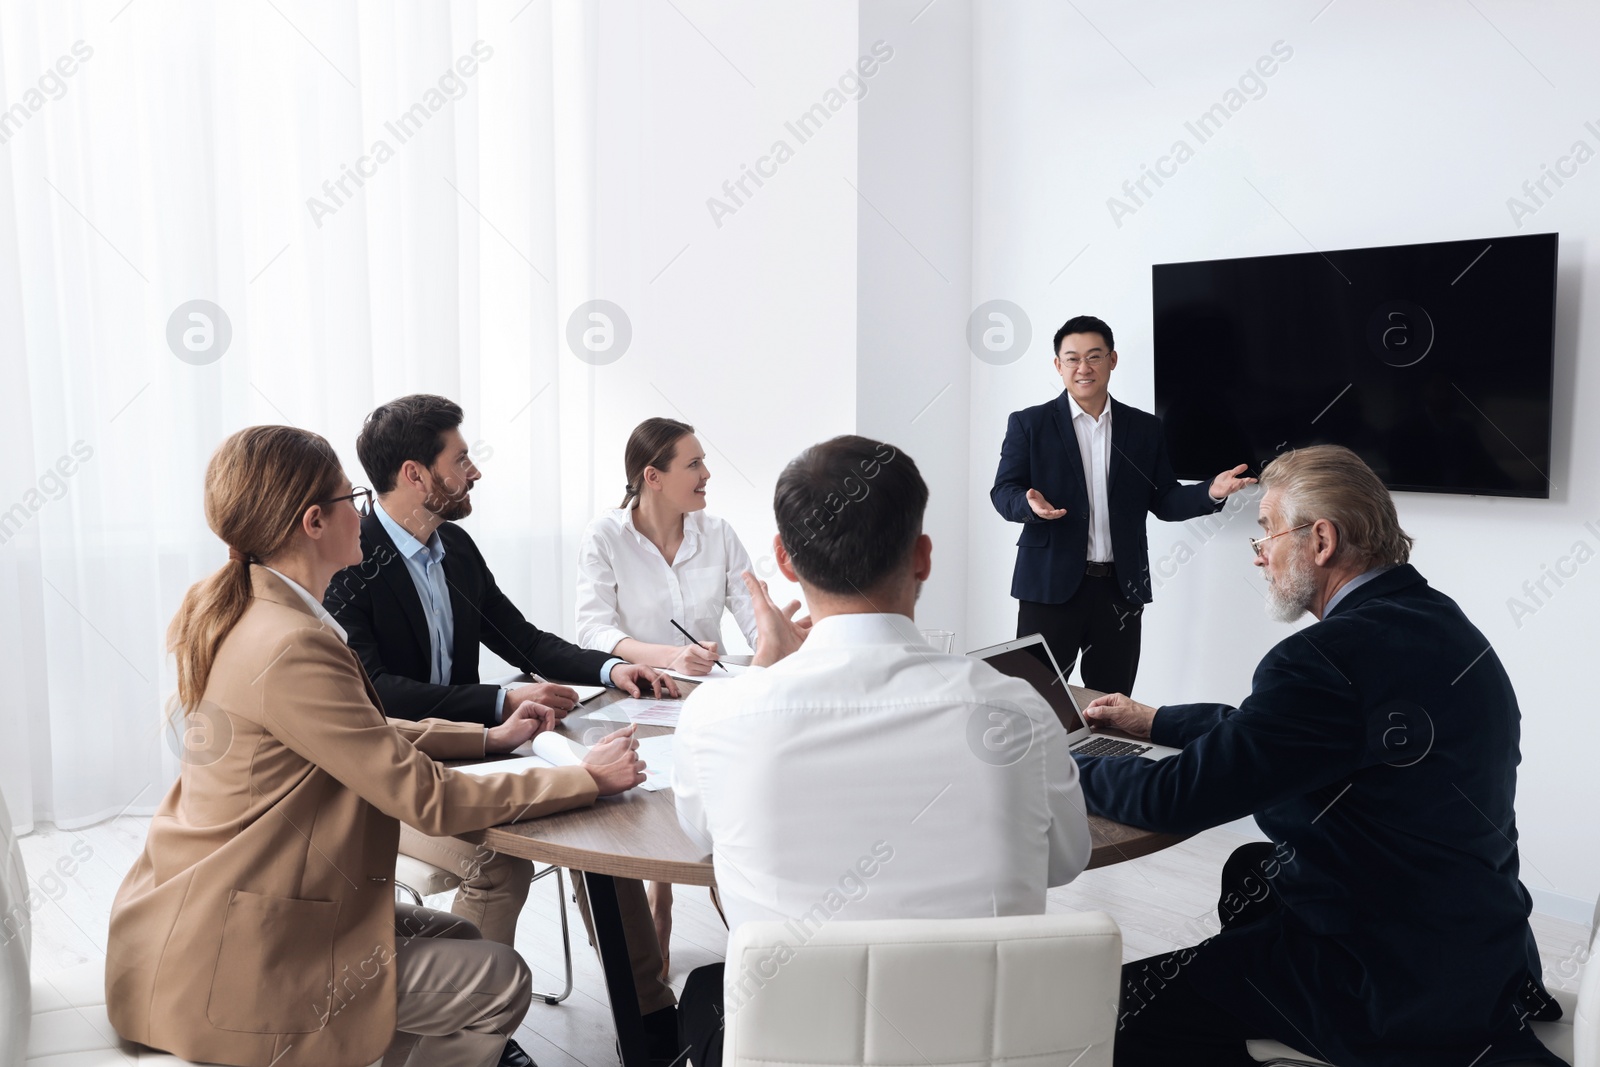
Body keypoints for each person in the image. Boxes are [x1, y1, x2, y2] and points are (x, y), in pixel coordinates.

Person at [106, 425, 645, 1067]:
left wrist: (488, 736)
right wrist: (585, 778)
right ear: (313, 522)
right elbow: (425, 798)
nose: (362, 512)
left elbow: (355, 731)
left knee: (458, 934)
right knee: (500, 978)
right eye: (350, 498)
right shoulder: (290, 642)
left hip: (212, 916)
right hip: (233, 957)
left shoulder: (249, 608)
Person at [1073, 444, 1563, 1066]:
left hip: (1388, 982)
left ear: (1322, 540)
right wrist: (1157, 719)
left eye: (1265, 532)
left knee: (1107, 1009)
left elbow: (1174, 798)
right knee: (1253, 875)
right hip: (1484, 951)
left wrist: (1062, 768)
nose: (1260, 556)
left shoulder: (1321, 658)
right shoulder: (1439, 622)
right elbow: (1284, 738)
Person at [671, 435, 1093, 1065]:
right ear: (922, 557)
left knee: (706, 990)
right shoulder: (1016, 711)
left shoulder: (717, 716)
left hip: (801, 1042)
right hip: (985, 1044)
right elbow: (1065, 860)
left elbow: (699, 834)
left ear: (786, 561)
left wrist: (763, 672)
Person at [323, 395, 681, 1061]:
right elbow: (375, 694)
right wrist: (498, 699)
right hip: (392, 777)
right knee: (502, 859)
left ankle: (654, 1017)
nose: (475, 472)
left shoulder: (453, 547)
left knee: (600, 821)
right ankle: (478, 1036)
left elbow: (524, 638)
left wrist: (613, 665)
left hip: (481, 758)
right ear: (416, 474)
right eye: (461, 459)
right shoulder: (349, 559)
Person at [575, 416, 760, 972]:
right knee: (646, 792)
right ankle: (657, 896)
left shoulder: (719, 533)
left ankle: (728, 905)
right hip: (634, 697)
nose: (707, 474)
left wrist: (783, 643)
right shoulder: (606, 535)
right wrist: (665, 657)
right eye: (695, 464)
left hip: (710, 695)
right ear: (652, 477)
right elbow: (592, 631)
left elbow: (754, 620)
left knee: (725, 793)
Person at [990, 313, 1254, 694]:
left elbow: (1164, 499)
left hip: (1119, 592)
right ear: (1058, 366)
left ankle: (1107, 759)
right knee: (1035, 703)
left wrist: (1210, 491)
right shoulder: (1029, 424)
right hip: (1048, 588)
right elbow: (1003, 491)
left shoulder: (1145, 428)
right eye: (1073, 358)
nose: (1084, 368)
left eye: (1094, 356)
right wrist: (1027, 505)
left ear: (1112, 360)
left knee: (1113, 708)